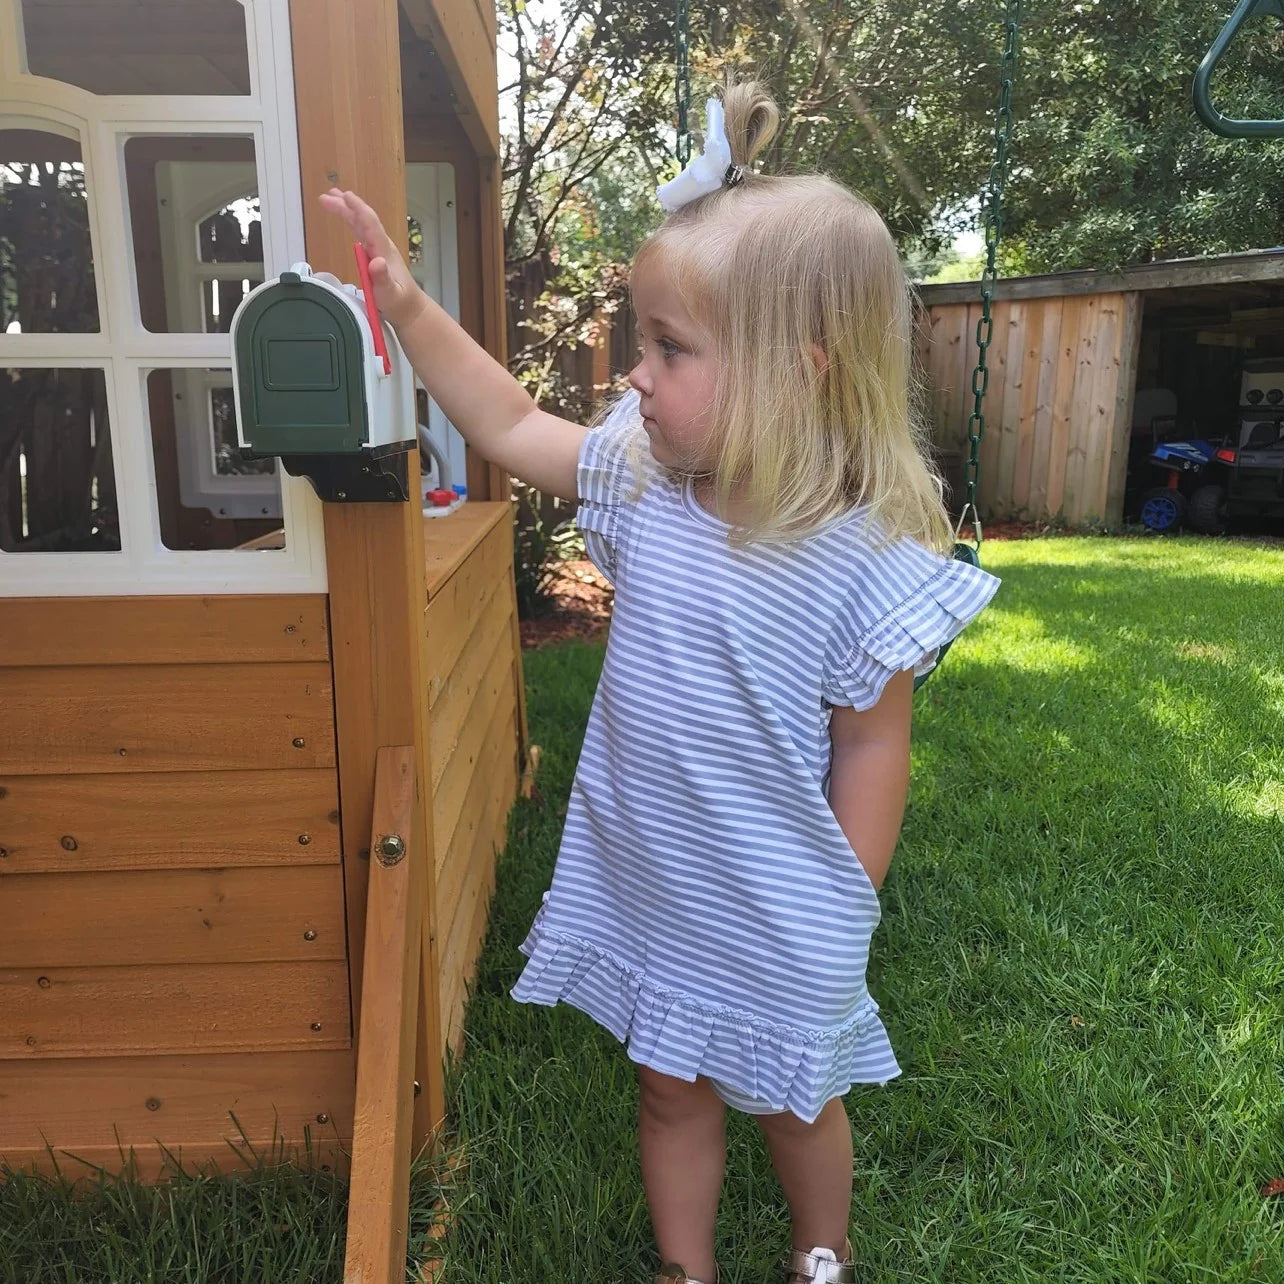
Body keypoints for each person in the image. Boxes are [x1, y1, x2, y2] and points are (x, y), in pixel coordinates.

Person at [321, 79, 999, 1284]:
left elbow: (872, 743)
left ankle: (819, 1253)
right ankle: (686, 1271)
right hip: (658, 870)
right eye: (643, 341)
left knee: (795, 1101)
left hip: (785, 896)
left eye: (669, 348)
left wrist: (846, 903)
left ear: (798, 370)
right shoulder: (646, 484)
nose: (634, 375)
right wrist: (413, 311)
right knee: (669, 1085)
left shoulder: (862, 560)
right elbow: (517, 425)